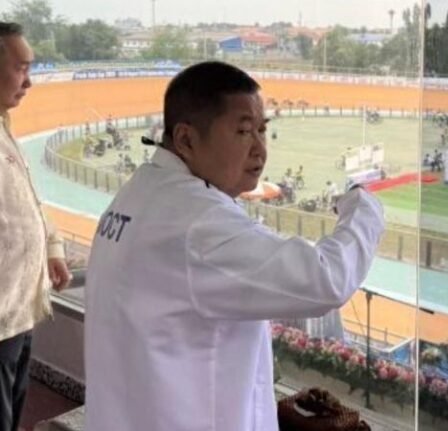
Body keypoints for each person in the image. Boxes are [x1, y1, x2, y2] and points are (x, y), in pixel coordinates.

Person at [84, 61, 384, 431]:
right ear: (186, 140)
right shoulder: (197, 222)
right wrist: (363, 208)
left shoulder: (140, 192)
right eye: (243, 131)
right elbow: (325, 280)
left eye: (262, 130)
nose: (260, 149)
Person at [0, 22, 71, 431]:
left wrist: (52, 247)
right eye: (21, 68)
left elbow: (27, 202)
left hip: (18, 314)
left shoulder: (4, 128)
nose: (29, 82)